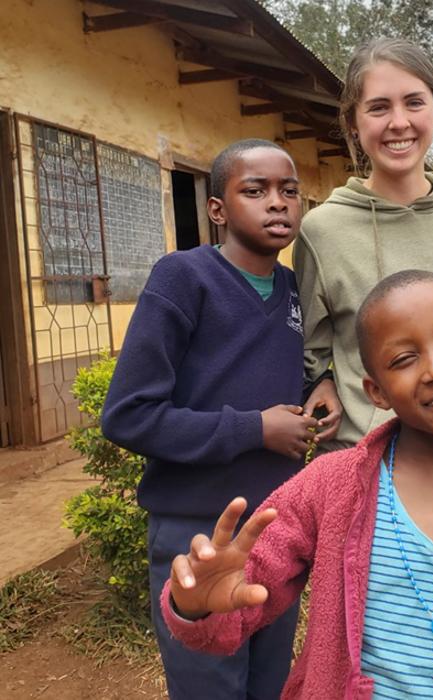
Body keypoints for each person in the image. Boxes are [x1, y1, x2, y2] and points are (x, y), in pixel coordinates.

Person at [159, 270, 433, 699]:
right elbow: (239, 603)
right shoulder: (330, 486)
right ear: (376, 392)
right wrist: (197, 604)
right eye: (404, 359)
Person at [102, 139, 328, 699]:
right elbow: (128, 415)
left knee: (268, 684)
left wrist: (316, 387)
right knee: (210, 686)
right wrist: (256, 428)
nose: (277, 204)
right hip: (196, 532)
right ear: (218, 209)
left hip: (273, 531)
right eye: (255, 191)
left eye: (288, 191)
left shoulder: (290, 289)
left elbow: (263, 376)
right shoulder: (183, 278)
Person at [295, 37, 433, 451]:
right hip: (367, 457)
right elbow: (308, 347)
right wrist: (324, 381)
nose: (399, 122)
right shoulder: (322, 229)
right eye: (379, 107)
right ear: (353, 121)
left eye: (414, 102)